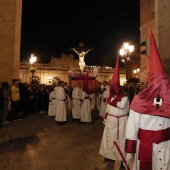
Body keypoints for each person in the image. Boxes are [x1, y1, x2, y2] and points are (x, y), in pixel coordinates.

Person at [125, 33, 170, 170]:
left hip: (166, 145)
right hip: (146, 146)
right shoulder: (140, 100)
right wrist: (129, 151)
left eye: (162, 81)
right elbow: (132, 127)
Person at [99, 57, 129, 170]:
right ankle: (110, 155)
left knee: (121, 140)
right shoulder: (112, 97)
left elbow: (121, 106)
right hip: (111, 121)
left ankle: (122, 159)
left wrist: (111, 101)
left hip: (120, 122)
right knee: (109, 139)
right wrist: (106, 116)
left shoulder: (124, 96)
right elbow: (108, 108)